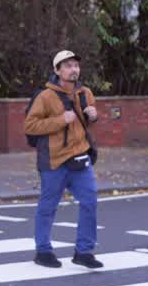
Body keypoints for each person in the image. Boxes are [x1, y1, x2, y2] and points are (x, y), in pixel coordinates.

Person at [24, 50, 103, 269]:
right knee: (48, 206)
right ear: (57, 70)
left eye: (75, 65)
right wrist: (60, 120)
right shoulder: (45, 97)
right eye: (67, 65)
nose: (73, 69)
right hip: (54, 160)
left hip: (80, 158)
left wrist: (93, 117)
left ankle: (84, 251)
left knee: (90, 201)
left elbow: (85, 123)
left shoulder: (85, 93)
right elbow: (30, 126)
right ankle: (43, 251)